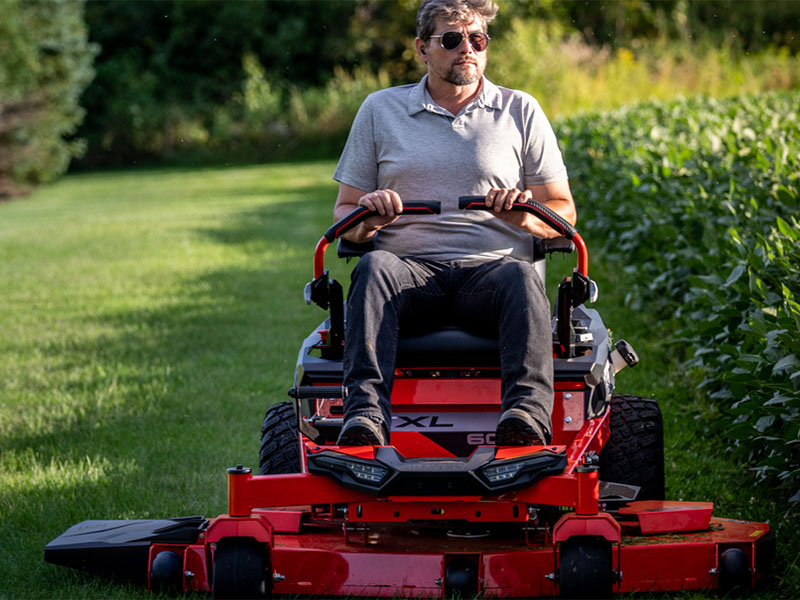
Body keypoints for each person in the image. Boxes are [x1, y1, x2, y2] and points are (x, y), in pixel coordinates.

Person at [333, 0, 576, 447]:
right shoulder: (379, 110)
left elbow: (563, 213)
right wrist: (369, 215)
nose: (467, 48)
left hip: (491, 273)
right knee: (371, 269)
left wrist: (524, 213)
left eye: (477, 40)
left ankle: (525, 416)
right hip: (408, 273)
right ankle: (365, 417)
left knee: (523, 278)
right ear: (422, 48)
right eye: (451, 39)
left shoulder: (520, 109)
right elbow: (344, 216)